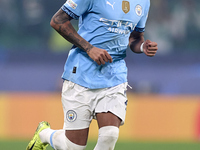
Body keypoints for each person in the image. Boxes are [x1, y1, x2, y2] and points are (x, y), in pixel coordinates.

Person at [26, 0, 158, 150]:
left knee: (110, 135)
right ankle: (44, 134)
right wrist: (90, 48)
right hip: (81, 73)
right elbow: (57, 21)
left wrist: (142, 46)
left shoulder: (143, 2)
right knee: (73, 147)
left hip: (114, 76)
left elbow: (135, 37)